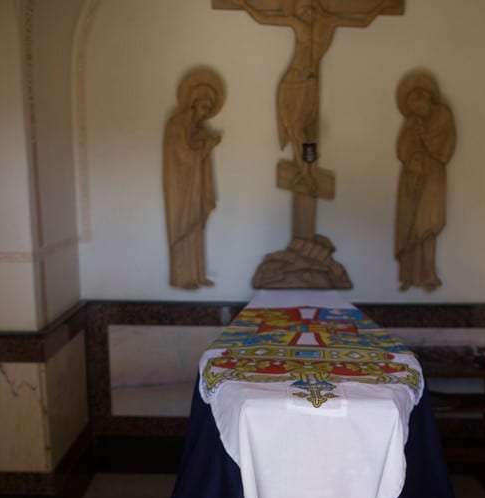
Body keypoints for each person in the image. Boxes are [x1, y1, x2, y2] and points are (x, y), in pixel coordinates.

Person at [237, 0, 387, 192]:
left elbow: (364, 22)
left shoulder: (330, 21)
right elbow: (263, 18)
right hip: (291, 83)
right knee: (295, 132)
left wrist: (382, 6)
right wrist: (243, 4)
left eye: (306, 7)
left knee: (307, 131)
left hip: (309, 86)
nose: (303, 12)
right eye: (301, 8)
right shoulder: (297, 23)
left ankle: (307, 171)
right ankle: (306, 174)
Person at [163, 69, 225, 289]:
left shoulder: (199, 128)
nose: (205, 113)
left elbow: (197, 154)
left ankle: (197, 274)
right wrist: (205, 146)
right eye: (203, 107)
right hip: (179, 189)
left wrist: (207, 145)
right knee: (183, 226)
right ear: (193, 102)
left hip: (196, 186)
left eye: (209, 110)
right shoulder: (176, 124)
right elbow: (181, 153)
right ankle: (182, 277)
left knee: (196, 228)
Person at [395, 71, 455, 291]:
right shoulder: (411, 121)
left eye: (418, 105)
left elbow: (445, 149)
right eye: (412, 107)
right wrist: (412, 142)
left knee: (427, 225)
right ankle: (408, 275)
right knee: (409, 224)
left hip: (432, 176)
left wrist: (424, 137)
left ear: (427, 99)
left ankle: (428, 275)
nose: (416, 111)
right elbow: (401, 150)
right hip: (411, 177)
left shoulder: (443, 116)